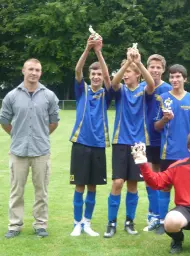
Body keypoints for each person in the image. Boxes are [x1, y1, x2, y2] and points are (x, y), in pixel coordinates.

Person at [0, 58, 60, 238]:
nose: (34, 73)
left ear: (41, 73)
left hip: (41, 151)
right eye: (31, 69)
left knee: (41, 191)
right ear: (23, 71)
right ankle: (14, 226)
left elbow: (54, 122)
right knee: (16, 191)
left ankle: (40, 225)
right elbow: (4, 121)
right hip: (18, 152)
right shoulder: (11, 96)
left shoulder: (49, 96)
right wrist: (17, 136)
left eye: (38, 70)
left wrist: (40, 136)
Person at [104, 47, 155, 238]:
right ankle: (111, 222)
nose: (124, 75)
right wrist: (126, 62)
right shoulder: (121, 90)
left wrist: (139, 62)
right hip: (120, 141)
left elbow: (151, 83)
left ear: (137, 75)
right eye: (124, 72)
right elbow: (113, 83)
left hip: (139, 144)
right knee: (118, 182)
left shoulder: (143, 89)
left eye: (128, 73)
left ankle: (129, 221)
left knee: (133, 184)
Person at [69, 35, 112, 236]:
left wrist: (99, 51)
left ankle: (87, 222)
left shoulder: (107, 93)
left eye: (99, 74)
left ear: (103, 77)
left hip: (98, 145)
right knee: (79, 185)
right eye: (93, 73)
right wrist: (87, 49)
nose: (96, 76)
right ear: (89, 75)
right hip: (80, 143)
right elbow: (77, 71)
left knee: (93, 186)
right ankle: (77, 223)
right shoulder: (81, 90)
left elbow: (108, 74)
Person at [153, 64, 190, 234]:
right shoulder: (162, 98)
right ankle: (162, 221)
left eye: (178, 77)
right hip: (168, 152)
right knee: (165, 187)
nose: (175, 80)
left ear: (185, 79)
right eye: (172, 77)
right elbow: (156, 126)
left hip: (188, 153)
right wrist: (165, 119)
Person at [142, 54, 172, 232]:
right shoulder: (141, 87)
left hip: (163, 139)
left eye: (158, 67)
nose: (154, 70)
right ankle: (153, 213)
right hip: (145, 138)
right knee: (149, 177)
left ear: (163, 69)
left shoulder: (168, 89)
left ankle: (161, 215)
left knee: (162, 177)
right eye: (151, 67)